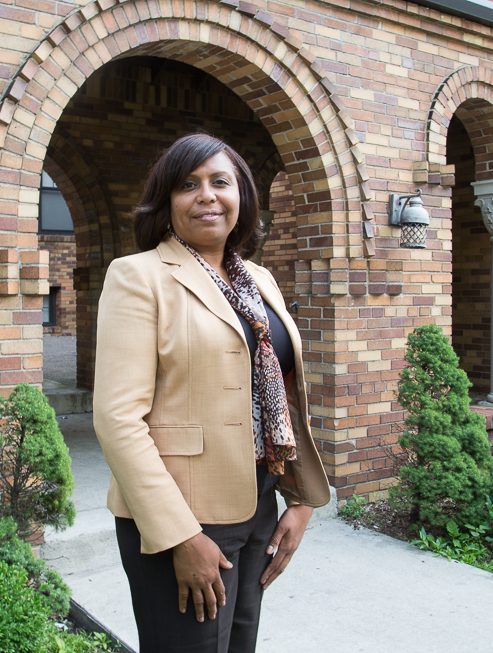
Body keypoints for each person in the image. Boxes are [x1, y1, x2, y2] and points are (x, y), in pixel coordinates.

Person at [92, 132, 331, 653]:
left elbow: (281, 397)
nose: (206, 195)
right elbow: (117, 420)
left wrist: (301, 500)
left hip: (259, 502)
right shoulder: (140, 276)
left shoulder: (259, 280)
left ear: (240, 196)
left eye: (220, 182)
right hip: (182, 516)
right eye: (188, 184)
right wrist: (180, 536)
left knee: (240, 644)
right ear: (167, 201)